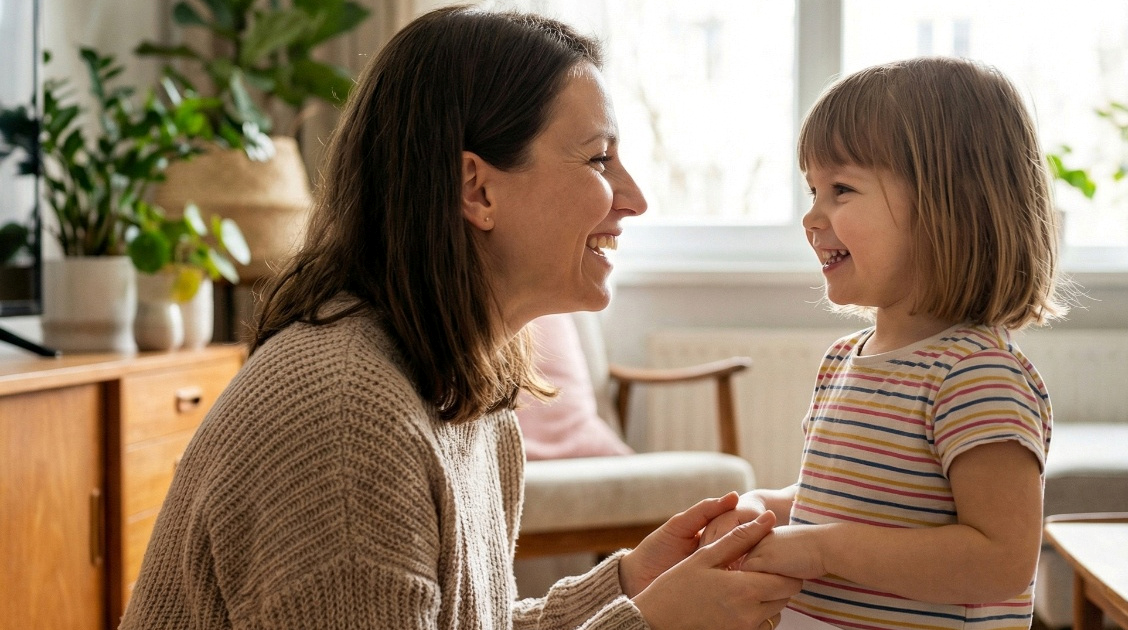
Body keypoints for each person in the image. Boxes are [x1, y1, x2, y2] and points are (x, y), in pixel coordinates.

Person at [119, 6, 800, 630]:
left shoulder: (466, 389)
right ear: (476, 188)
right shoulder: (347, 417)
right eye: (598, 158)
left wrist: (628, 582)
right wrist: (651, 624)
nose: (636, 199)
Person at [700, 56, 1067, 630]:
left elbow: (1002, 561)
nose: (811, 216)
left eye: (841, 189)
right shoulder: (843, 361)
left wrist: (821, 550)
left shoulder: (977, 377)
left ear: (950, 205)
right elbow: (841, 499)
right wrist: (764, 511)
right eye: (813, 189)